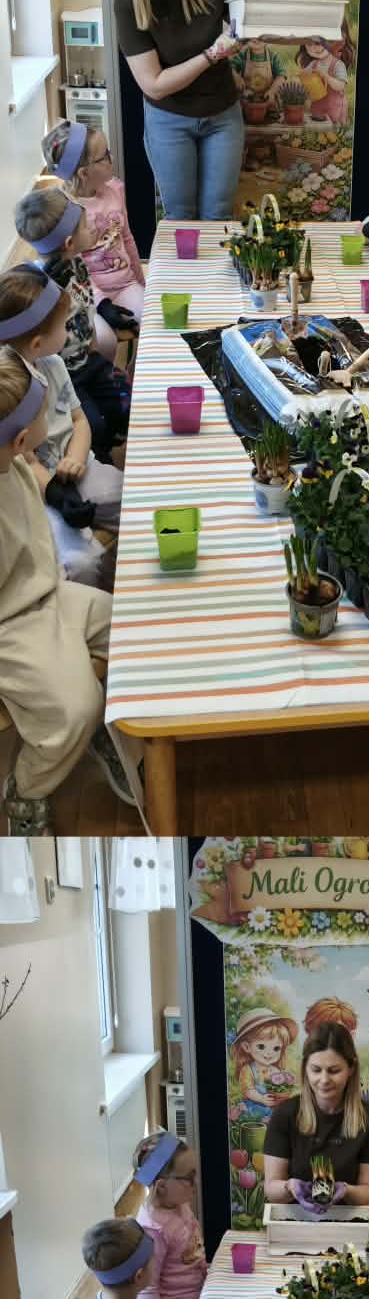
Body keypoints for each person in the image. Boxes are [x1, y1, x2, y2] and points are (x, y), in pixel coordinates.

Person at [0, 350, 130, 836]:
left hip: (46, 595)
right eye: (41, 415)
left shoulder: (13, 461)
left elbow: (36, 482)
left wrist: (57, 491)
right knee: (77, 708)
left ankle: (99, 733)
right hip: (10, 626)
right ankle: (26, 791)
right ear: (20, 439)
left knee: (133, 635)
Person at [113, 0, 244, 221]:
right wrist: (211, 55)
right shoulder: (127, 3)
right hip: (168, 120)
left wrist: (250, 34)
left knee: (218, 213)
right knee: (180, 215)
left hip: (223, 115)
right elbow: (154, 85)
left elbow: (246, 21)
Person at [0, 269, 121, 588]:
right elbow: (25, 462)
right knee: (81, 563)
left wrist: (76, 458)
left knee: (133, 500)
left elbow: (79, 420)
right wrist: (56, 493)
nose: (69, 332)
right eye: (64, 326)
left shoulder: (53, 363)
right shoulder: (11, 390)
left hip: (76, 467)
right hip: (39, 492)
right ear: (38, 342)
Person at [11, 197, 130, 456]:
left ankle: (115, 437)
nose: (92, 228)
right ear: (69, 243)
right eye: (86, 226)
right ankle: (98, 456)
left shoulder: (76, 262)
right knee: (93, 426)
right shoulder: (36, 290)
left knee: (126, 398)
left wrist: (97, 336)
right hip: (64, 377)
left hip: (89, 359)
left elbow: (85, 303)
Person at [262, 1023, 369, 1216]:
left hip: (347, 1222)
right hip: (295, 1220)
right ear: (305, 1068)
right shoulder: (285, 1114)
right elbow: (271, 1189)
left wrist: (346, 1190)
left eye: (334, 1070)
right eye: (316, 1070)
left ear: (351, 1068)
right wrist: (289, 1186)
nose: (324, 1079)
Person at [41, 121, 145, 323]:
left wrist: (142, 284)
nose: (111, 158)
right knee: (105, 339)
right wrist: (101, 303)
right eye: (104, 156)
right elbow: (73, 267)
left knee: (152, 317)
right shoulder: (63, 210)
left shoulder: (115, 189)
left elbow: (127, 238)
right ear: (84, 173)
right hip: (87, 297)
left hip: (125, 285)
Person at [132, 1133, 208, 1299]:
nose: (195, 1183)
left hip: (195, 1294)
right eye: (189, 1178)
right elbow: (147, 1288)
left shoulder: (178, 1204)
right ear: (162, 1187)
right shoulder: (152, 1229)